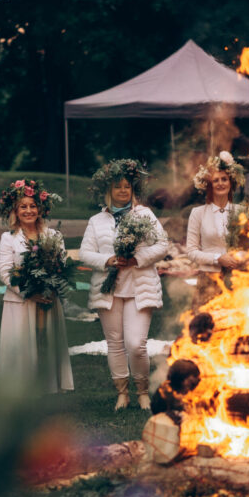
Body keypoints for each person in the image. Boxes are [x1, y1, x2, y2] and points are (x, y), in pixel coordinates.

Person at [79, 159, 168, 411]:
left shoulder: (145, 215)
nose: (122, 191)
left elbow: (162, 245)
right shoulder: (97, 221)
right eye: (117, 186)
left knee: (136, 344)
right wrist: (108, 260)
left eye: (127, 186)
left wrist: (136, 259)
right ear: (108, 190)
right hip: (109, 290)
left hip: (139, 286)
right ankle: (122, 393)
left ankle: (142, 392)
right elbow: (85, 253)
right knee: (115, 343)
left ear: (133, 189)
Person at [0, 179, 74, 394]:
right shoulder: (8, 238)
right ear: (15, 210)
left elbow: (62, 265)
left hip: (48, 300)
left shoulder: (54, 236)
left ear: (40, 209)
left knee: (46, 346)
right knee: (21, 351)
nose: (29, 211)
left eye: (32, 206)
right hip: (21, 302)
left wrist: (51, 287)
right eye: (23, 206)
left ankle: (47, 389)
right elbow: (5, 272)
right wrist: (29, 293)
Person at [186, 151, 246, 310]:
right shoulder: (198, 213)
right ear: (209, 185)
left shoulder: (241, 212)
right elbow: (191, 252)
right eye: (216, 180)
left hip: (237, 279)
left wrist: (239, 257)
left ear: (231, 182)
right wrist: (218, 258)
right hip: (209, 280)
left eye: (224, 179)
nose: (220, 183)